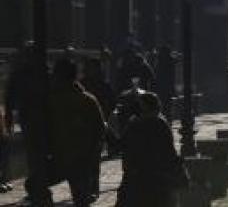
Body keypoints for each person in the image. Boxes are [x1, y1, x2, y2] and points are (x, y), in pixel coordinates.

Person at [49, 58, 106, 207]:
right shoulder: (87, 99)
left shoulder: (51, 100)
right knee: (81, 197)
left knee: (36, 186)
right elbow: (100, 128)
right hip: (80, 157)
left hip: (60, 156)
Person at [116, 92, 188, 207]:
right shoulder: (161, 122)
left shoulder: (137, 124)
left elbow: (123, 145)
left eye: (140, 105)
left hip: (140, 178)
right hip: (156, 178)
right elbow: (170, 152)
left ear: (146, 106)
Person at [6, 43, 53, 206]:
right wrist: (9, 116)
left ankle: (39, 183)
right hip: (30, 117)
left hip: (43, 117)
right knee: (34, 153)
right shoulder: (22, 73)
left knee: (39, 153)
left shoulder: (42, 71)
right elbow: (10, 94)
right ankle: (37, 184)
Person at [80, 58, 115, 198]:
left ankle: (93, 189)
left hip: (97, 125)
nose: (90, 71)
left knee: (94, 158)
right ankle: (85, 187)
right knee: (84, 158)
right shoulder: (81, 84)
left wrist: (105, 114)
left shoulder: (103, 84)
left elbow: (112, 101)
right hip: (82, 126)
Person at [153, 46, 176, 122]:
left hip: (160, 88)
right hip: (167, 88)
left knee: (162, 107)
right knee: (167, 108)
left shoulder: (159, 62)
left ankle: (163, 121)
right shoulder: (170, 62)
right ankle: (167, 122)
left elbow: (156, 76)